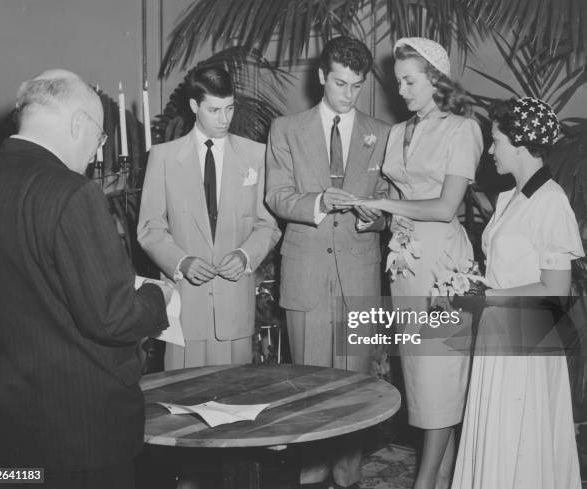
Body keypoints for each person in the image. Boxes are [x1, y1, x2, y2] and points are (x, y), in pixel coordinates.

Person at [0, 69, 173, 489]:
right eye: (101, 139)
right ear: (79, 124)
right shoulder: (72, 193)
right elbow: (112, 317)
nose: (96, 152)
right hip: (78, 439)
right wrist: (158, 298)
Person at [356, 38, 483, 489]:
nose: (402, 90)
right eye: (399, 82)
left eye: (410, 81)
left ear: (435, 79)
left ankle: (424, 483)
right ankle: (443, 479)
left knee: (439, 378)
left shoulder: (461, 128)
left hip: (443, 266)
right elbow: (397, 197)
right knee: (420, 378)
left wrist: (387, 206)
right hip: (404, 263)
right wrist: (372, 211)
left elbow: (447, 206)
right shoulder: (396, 132)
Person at [451, 97, 583, 489]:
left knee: (521, 441)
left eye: (496, 141)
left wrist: (489, 297)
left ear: (522, 146)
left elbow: (555, 290)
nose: (490, 151)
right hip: (500, 331)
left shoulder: (552, 203)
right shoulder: (509, 198)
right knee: (497, 435)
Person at [138, 66, 281, 369]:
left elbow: (267, 224)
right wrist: (181, 262)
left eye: (229, 108)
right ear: (194, 106)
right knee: (183, 401)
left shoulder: (257, 155)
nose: (224, 119)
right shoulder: (163, 158)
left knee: (235, 400)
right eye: (214, 110)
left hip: (234, 309)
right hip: (185, 305)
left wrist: (245, 256)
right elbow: (150, 228)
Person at [266, 35, 391, 374]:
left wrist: (373, 219)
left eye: (356, 86)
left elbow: (391, 205)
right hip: (305, 275)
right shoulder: (285, 129)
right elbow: (276, 195)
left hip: (359, 275)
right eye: (340, 83)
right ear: (322, 76)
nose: (348, 95)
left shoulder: (382, 133)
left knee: (357, 392)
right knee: (309, 387)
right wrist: (319, 202)